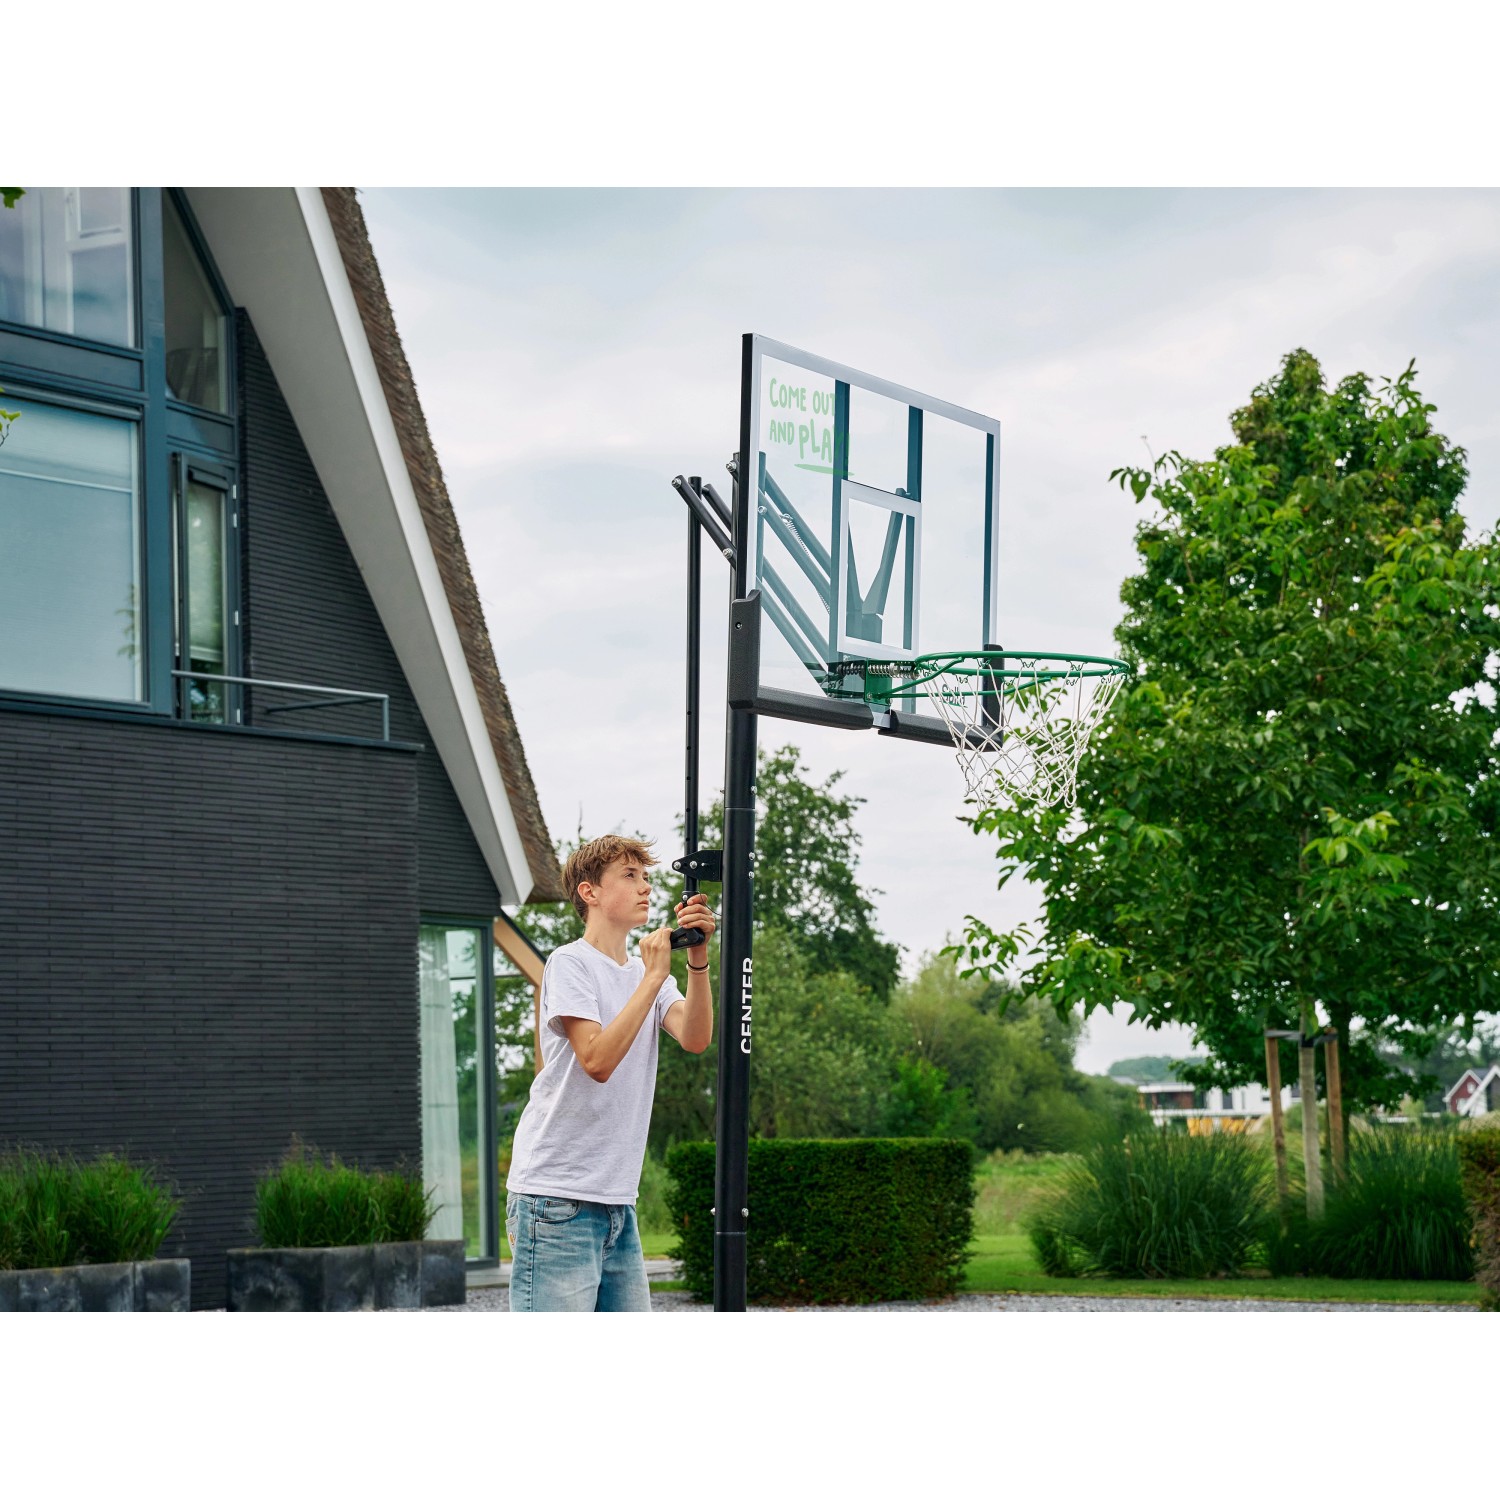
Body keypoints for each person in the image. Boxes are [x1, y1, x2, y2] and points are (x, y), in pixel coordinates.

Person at [505, 834, 715, 1311]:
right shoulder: (570, 963)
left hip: (618, 1201)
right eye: (629, 875)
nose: (645, 887)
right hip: (554, 1198)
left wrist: (697, 963)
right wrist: (655, 977)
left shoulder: (643, 975)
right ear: (589, 892)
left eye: (645, 877)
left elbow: (696, 1037)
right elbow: (597, 1060)